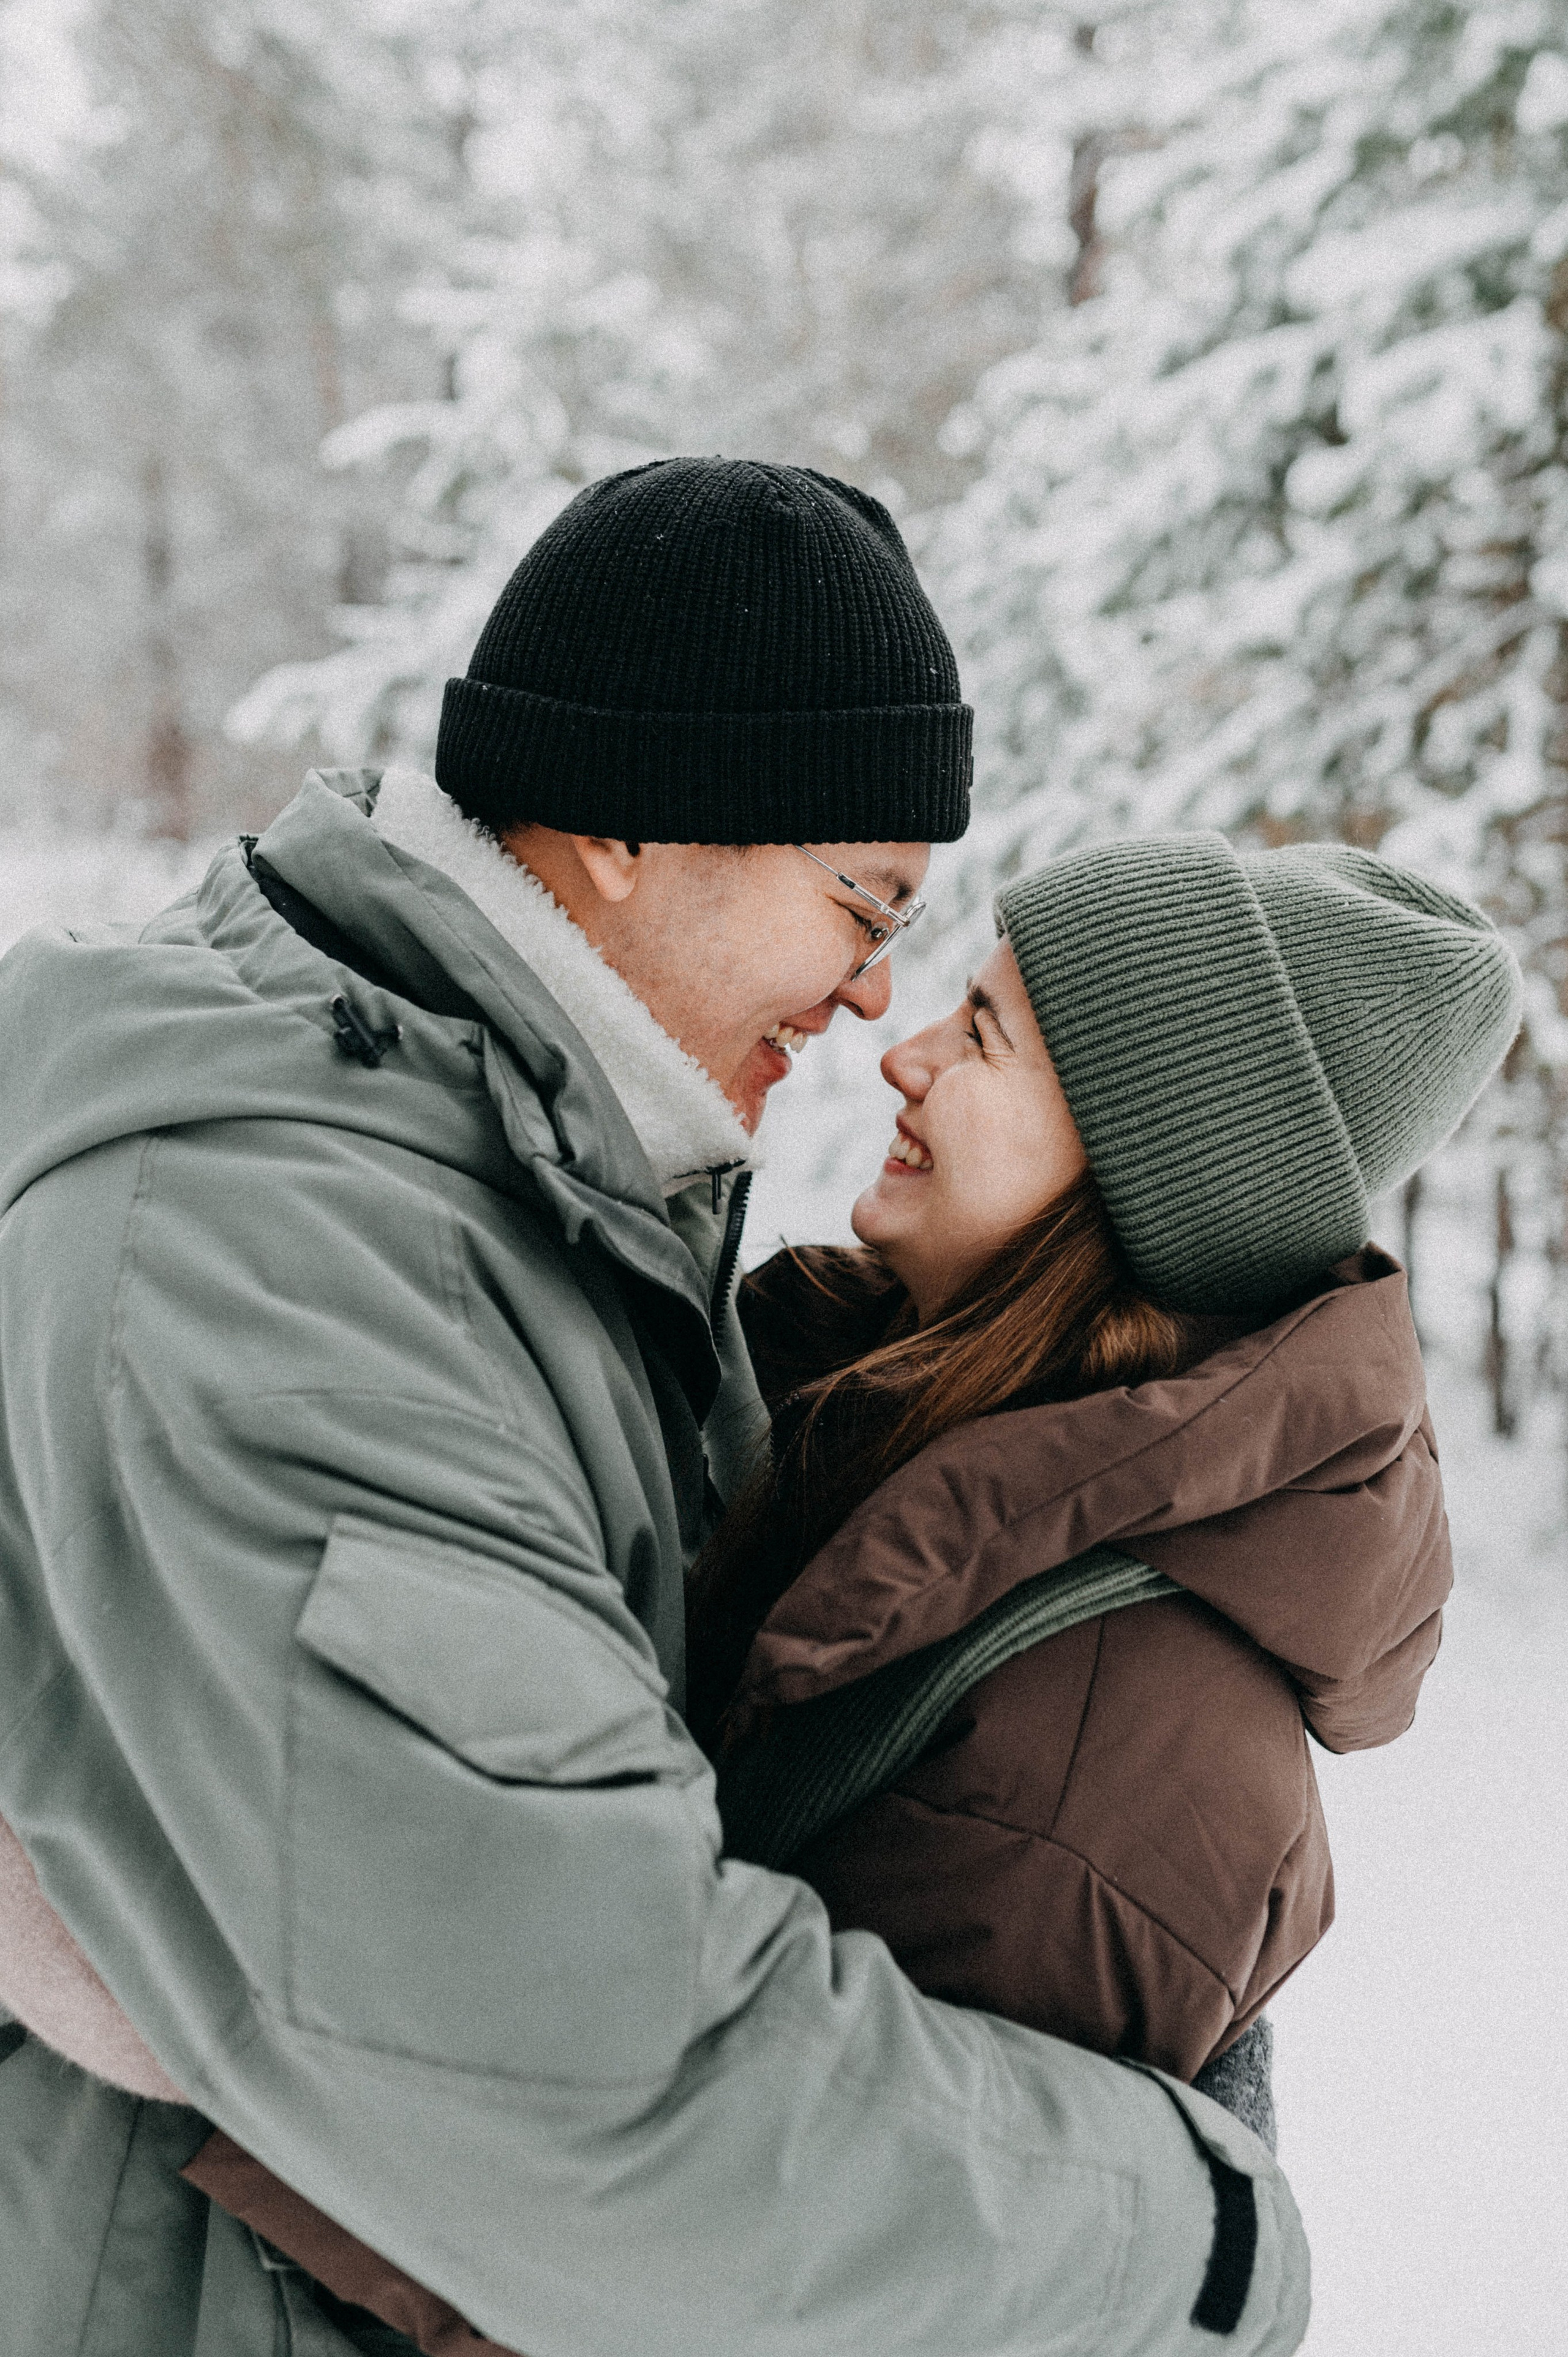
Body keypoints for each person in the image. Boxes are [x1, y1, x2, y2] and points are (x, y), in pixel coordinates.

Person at [0, 460, 1309, 2357]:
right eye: (860, 900)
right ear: (628, 827)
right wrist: (1192, 2234)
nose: (875, 1000)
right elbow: (591, 2085)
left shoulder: (520, 1170)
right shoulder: (291, 1254)